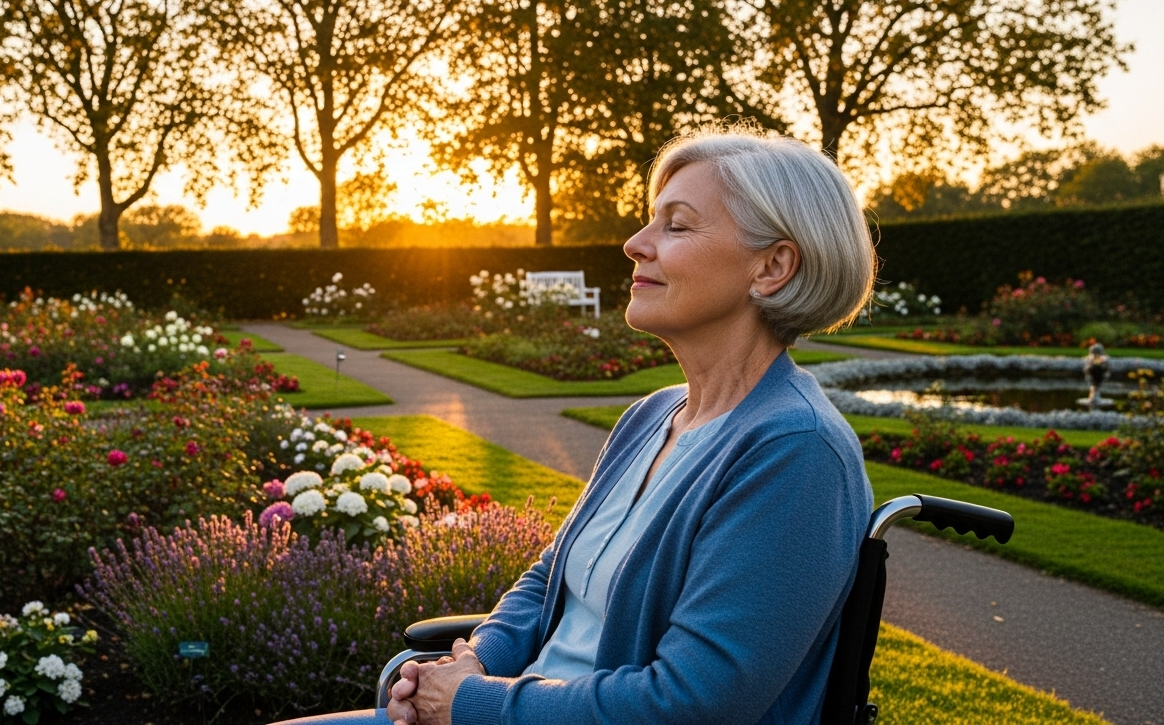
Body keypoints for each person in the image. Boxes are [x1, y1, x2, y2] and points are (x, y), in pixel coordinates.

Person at [282, 125, 877, 725]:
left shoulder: (796, 451)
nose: (635, 244)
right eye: (650, 220)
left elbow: (693, 703)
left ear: (772, 267)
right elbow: (551, 581)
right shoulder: (653, 416)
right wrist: (474, 662)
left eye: (676, 225)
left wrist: (469, 702)